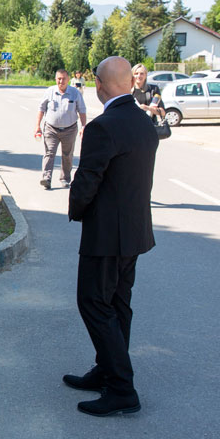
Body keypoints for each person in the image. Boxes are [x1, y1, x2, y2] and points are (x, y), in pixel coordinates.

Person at [64, 56, 158, 417]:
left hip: (106, 235)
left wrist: (76, 208)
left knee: (93, 303)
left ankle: (121, 387)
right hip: (133, 232)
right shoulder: (143, 121)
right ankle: (106, 370)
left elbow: (88, 179)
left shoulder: (103, 126)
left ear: (100, 86)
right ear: (131, 83)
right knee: (117, 305)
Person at [34, 69, 87, 190]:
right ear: (55, 79)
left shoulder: (75, 93)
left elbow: (82, 110)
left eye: (63, 79)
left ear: (68, 79)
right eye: (59, 79)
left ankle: (65, 179)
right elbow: (41, 109)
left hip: (70, 129)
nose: (61, 81)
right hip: (51, 129)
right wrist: (37, 126)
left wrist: (83, 126)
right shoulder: (50, 92)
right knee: (49, 153)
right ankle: (46, 178)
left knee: (67, 155)